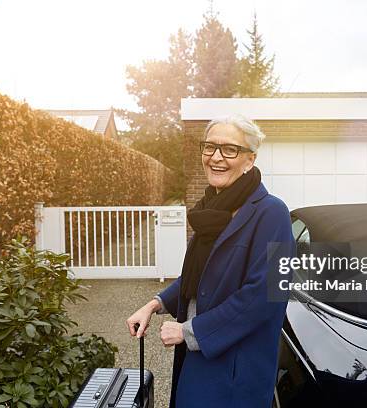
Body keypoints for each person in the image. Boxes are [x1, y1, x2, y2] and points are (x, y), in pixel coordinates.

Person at [126, 114, 295, 408]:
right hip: (196, 359)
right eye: (210, 147)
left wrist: (189, 330)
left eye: (230, 149)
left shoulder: (274, 213)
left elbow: (268, 295)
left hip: (235, 370)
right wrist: (155, 304)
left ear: (249, 159)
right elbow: (199, 277)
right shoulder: (208, 211)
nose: (216, 157)